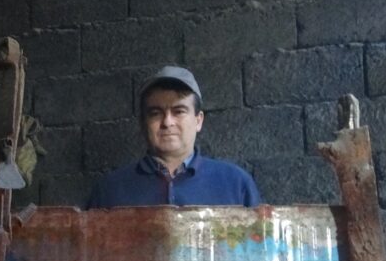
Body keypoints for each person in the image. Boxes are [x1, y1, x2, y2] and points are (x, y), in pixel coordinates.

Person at [87, 65, 260, 207]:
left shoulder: (236, 184)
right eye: (155, 113)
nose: (167, 122)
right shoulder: (109, 191)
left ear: (198, 120)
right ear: (142, 122)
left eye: (179, 111)